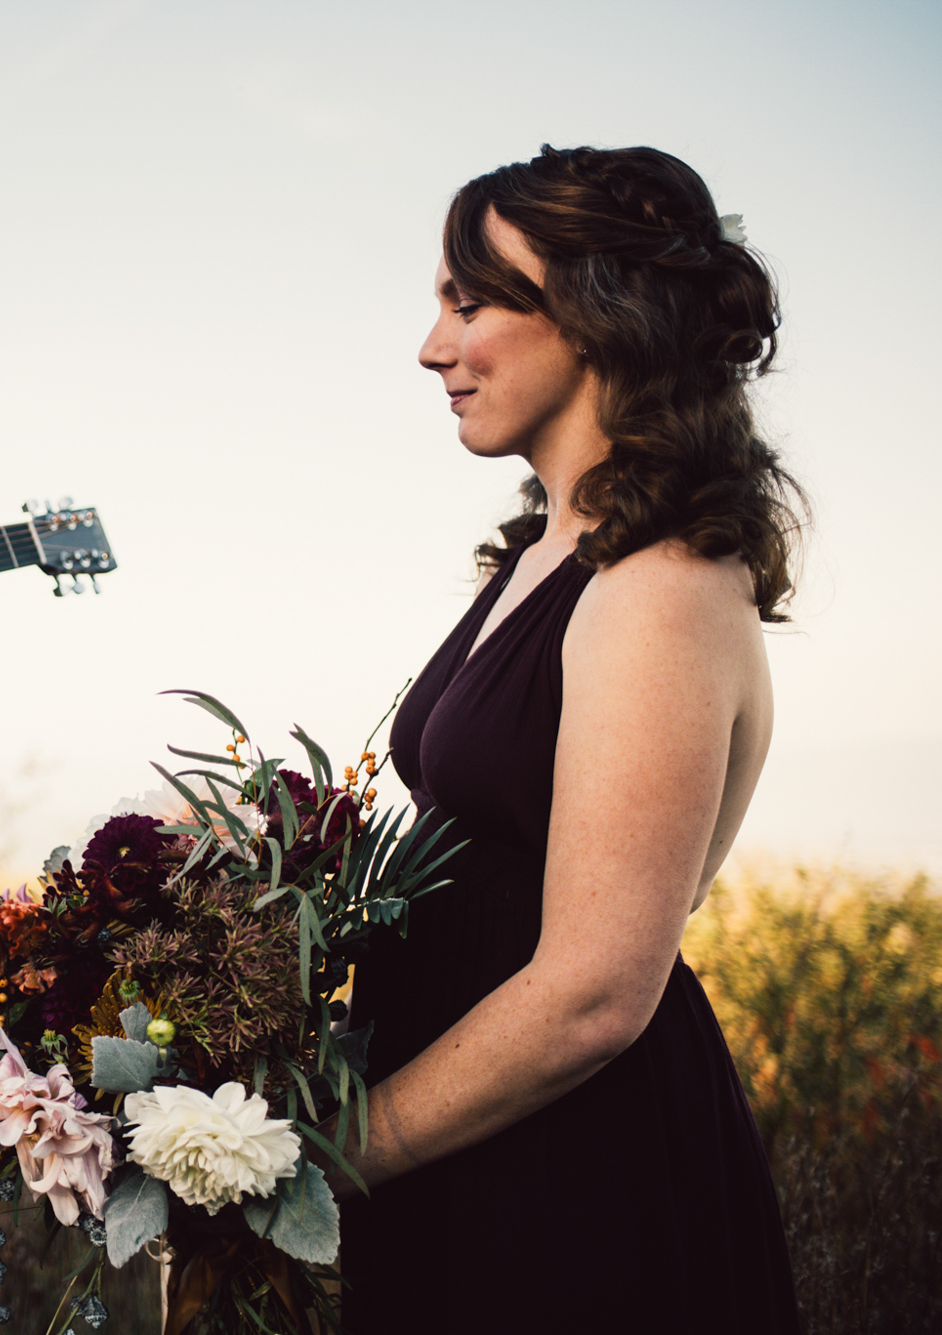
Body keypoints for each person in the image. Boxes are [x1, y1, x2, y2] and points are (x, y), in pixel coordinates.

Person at [326, 145, 803, 1331]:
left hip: (568, 1183)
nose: (432, 347)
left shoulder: (661, 586)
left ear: (597, 316)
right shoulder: (545, 555)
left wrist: (325, 1154)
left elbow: (593, 990)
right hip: (464, 1143)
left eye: (467, 300)